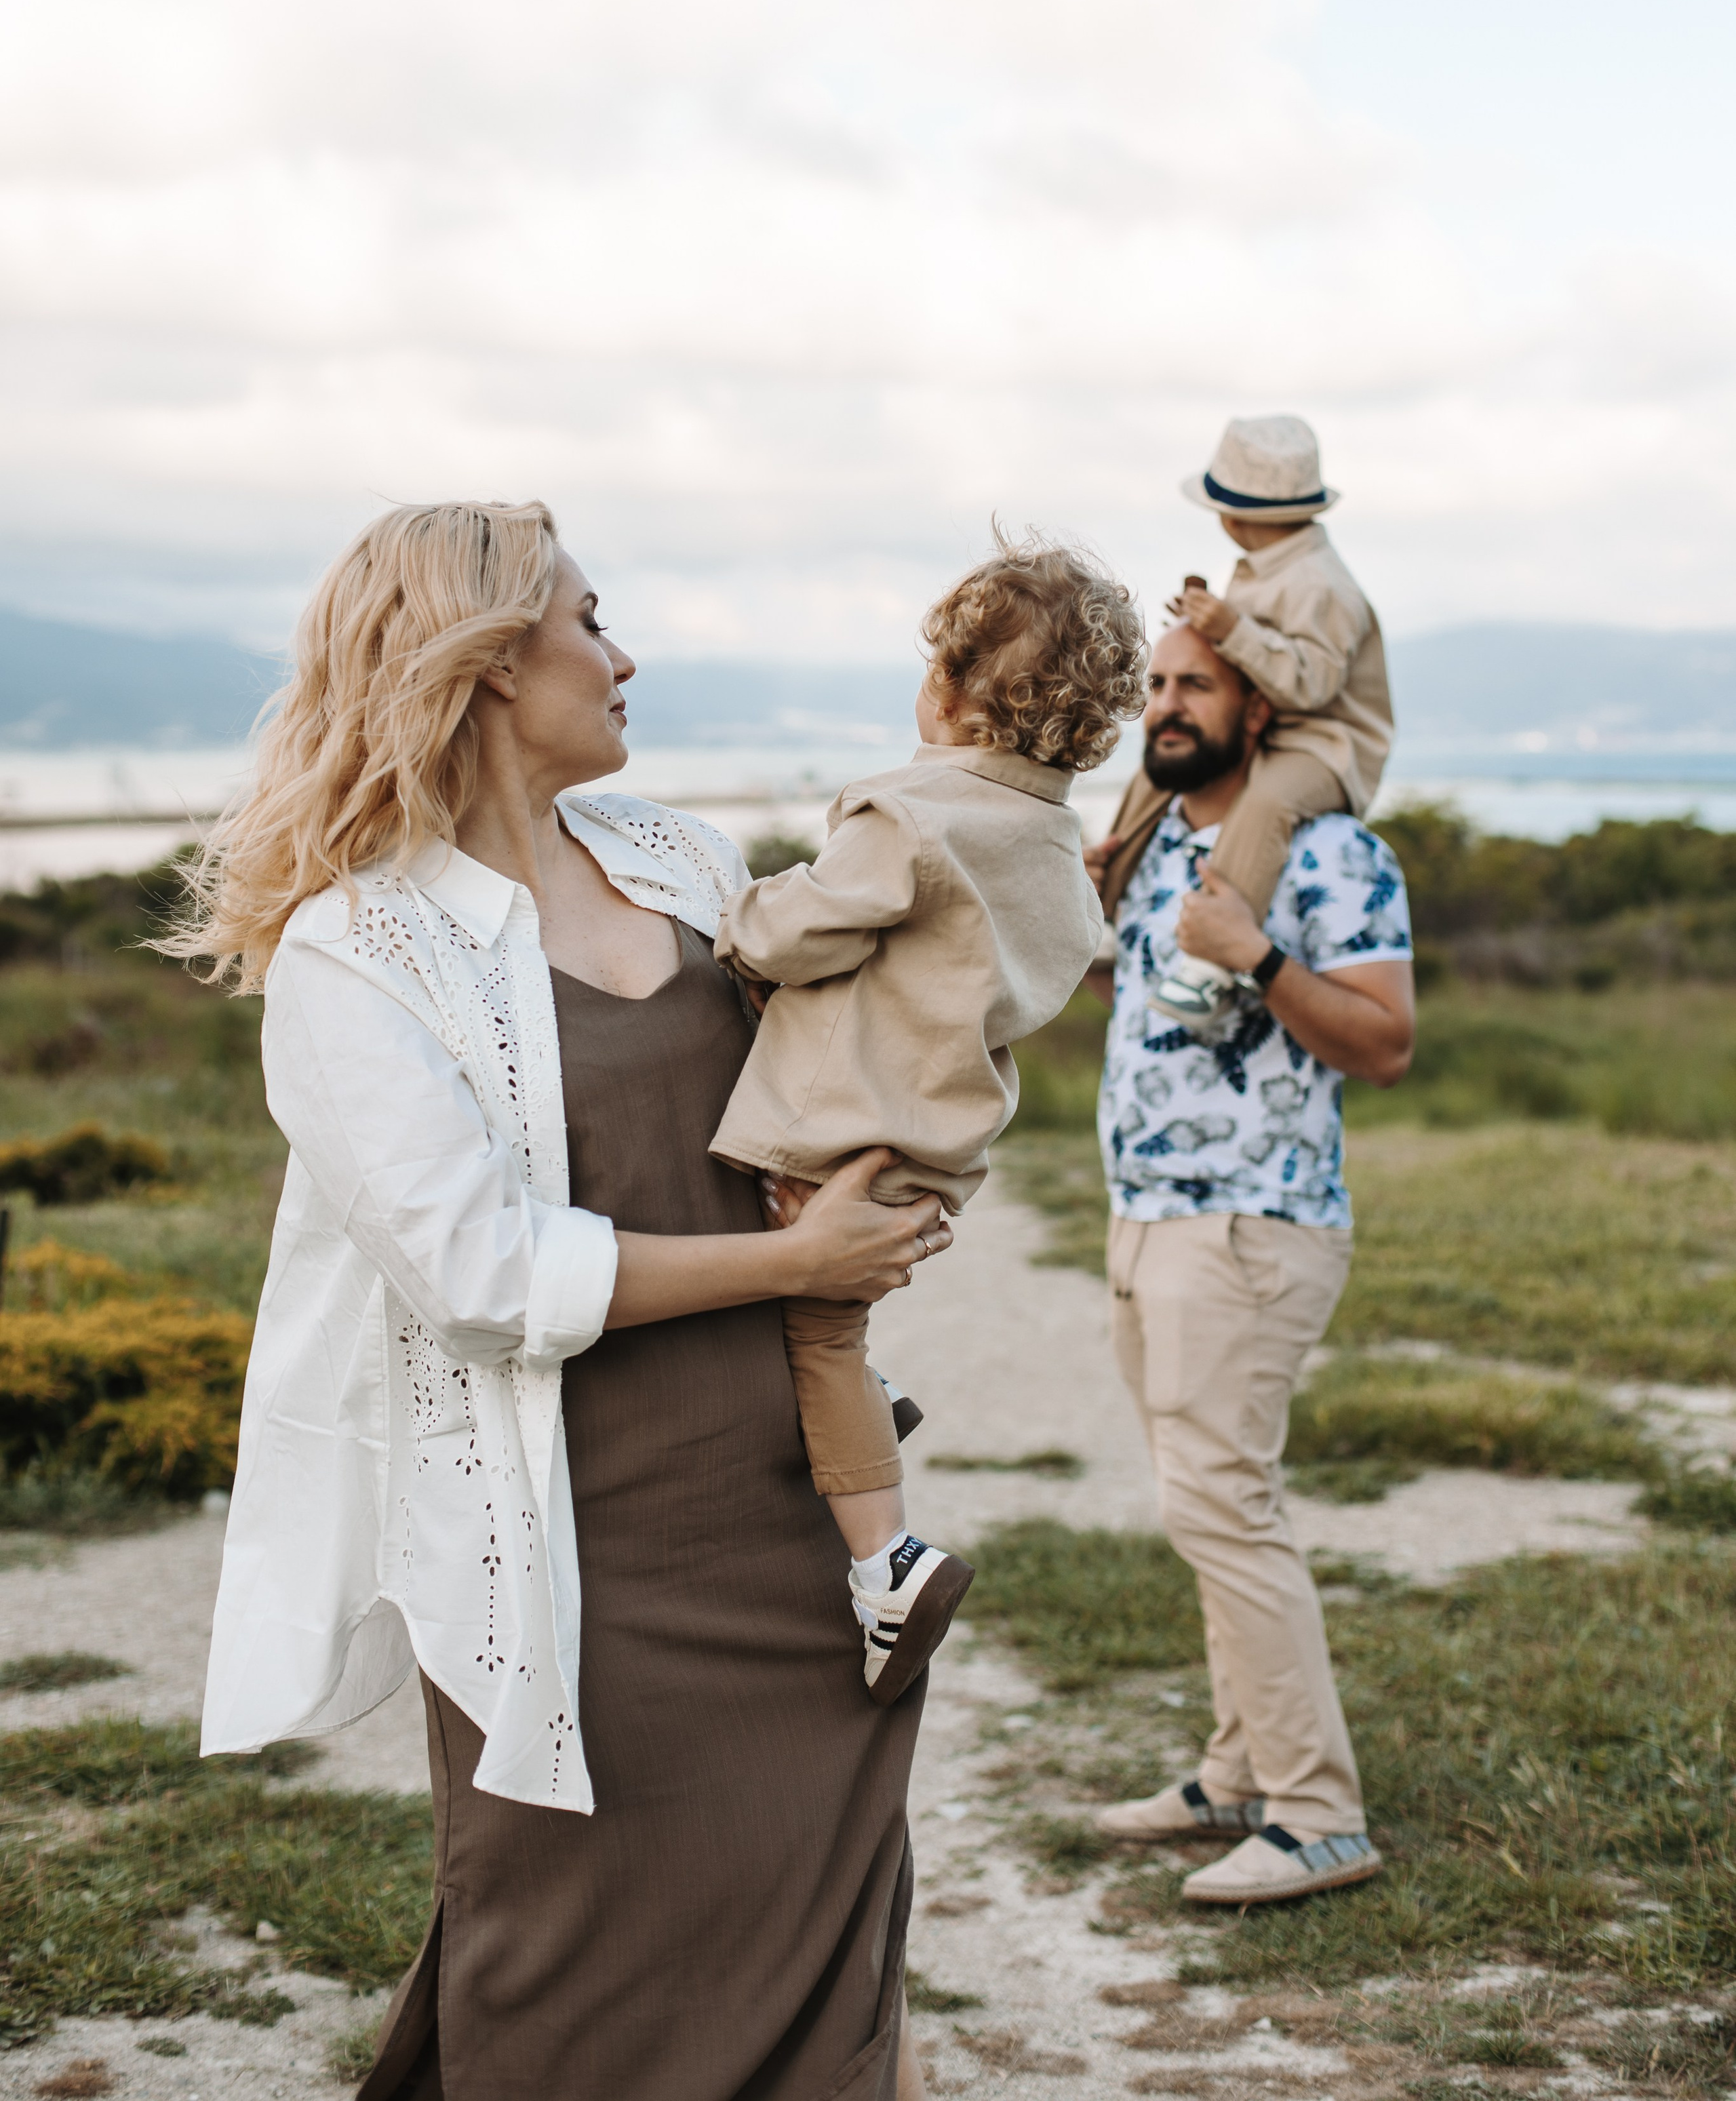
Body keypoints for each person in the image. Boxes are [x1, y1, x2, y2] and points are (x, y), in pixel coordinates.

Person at [183, 500, 952, 2101]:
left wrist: (875, 1178)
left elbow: (800, 1094)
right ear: (479, 666)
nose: (624, 656)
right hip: (568, 1543)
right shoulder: (355, 953)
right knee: (570, 1962)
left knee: (817, 1917)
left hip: (785, 1500)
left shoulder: (680, 858)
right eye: (590, 622)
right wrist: (789, 1265)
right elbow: (481, 1273)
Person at [711, 533, 1144, 1703]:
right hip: (932, 1147)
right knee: (837, 1336)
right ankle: (867, 1406)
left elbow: (795, 928)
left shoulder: (912, 815)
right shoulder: (1058, 848)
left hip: (834, 1130)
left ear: (948, 691)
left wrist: (733, 915)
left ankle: (886, 1564)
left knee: (816, 1336)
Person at [1084, 618, 1415, 1907]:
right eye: (1156, 685)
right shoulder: (1160, 840)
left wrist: (1261, 958)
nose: (1165, 705)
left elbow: (1384, 1043)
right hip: (1145, 1216)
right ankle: (1237, 1772)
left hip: (1250, 1222)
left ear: (1259, 710)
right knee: (1199, 1507)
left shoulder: (1334, 854)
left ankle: (1321, 1814)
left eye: (1193, 686)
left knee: (1225, 1505)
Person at [1130, 413, 1392, 1029]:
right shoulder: (1266, 567)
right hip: (1269, 726)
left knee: (1269, 803)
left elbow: (1313, 686)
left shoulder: (1320, 585)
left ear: (1232, 515)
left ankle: (1209, 966)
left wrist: (1230, 629)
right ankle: (1109, 908)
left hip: (1323, 742)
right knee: (1157, 771)